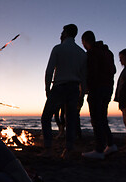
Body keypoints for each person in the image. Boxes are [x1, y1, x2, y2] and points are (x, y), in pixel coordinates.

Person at [39, 24, 87, 160]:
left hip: (59, 86)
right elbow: (84, 77)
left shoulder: (58, 48)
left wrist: (47, 88)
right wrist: (82, 94)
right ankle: (68, 150)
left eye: (62, 32)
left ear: (65, 33)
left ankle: (48, 148)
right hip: (74, 88)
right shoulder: (81, 53)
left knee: (46, 116)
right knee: (71, 119)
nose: (60, 34)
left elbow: (49, 71)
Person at [81, 31, 118, 159]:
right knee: (102, 117)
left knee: (96, 119)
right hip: (108, 88)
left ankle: (99, 150)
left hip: (97, 89)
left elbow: (92, 72)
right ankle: (111, 144)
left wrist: (86, 88)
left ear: (85, 41)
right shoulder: (108, 53)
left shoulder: (92, 53)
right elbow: (113, 70)